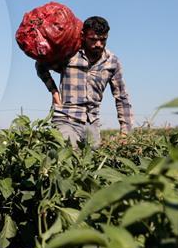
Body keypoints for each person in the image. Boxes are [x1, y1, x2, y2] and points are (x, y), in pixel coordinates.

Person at [35, 16, 133, 149]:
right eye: (93, 39)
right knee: (67, 158)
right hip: (65, 117)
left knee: (91, 164)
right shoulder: (70, 54)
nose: (98, 44)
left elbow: (122, 98)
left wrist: (126, 132)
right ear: (83, 36)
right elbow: (41, 64)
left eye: (103, 39)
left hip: (91, 122)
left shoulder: (112, 62)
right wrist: (54, 92)